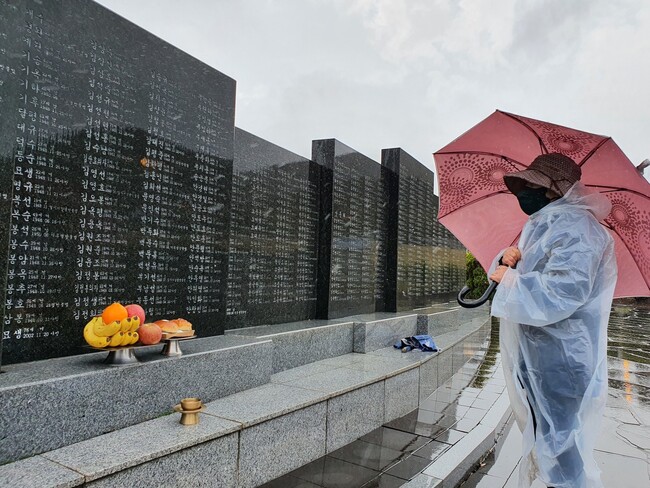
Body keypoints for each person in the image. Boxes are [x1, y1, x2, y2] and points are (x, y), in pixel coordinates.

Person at [488, 153, 617, 488]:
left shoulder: (578, 229)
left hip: (563, 357)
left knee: (562, 444)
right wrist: (508, 260)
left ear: (552, 189)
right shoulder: (547, 224)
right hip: (541, 353)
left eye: (530, 184)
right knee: (549, 437)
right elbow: (530, 276)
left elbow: (564, 291)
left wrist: (512, 280)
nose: (522, 191)